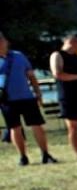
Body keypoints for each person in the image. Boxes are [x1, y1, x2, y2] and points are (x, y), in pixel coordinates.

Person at [0, 29, 56, 165]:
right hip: (7, 100)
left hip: (26, 97)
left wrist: (38, 93)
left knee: (37, 126)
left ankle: (45, 154)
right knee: (15, 128)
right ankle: (23, 157)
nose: (2, 42)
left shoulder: (19, 56)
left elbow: (31, 75)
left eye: (2, 39)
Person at [49, 33, 77, 163]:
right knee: (73, 126)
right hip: (68, 95)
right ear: (72, 42)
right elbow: (58, 74)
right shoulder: (58, 55)